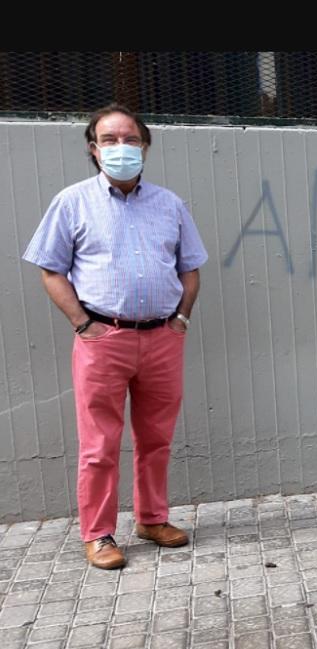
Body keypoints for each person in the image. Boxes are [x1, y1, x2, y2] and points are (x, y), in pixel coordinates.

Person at [22, 103, 207, 569]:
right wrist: (84, 325)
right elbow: (51, 271)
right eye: (110, 140)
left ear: (145, 146)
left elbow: (190, 269)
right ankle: (100, 534)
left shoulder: (170, 205)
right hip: (103, 339)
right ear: (94, 149)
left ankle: (151, 517)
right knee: (100, 443)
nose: (121, 147)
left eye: (130, 139)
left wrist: (181, 319)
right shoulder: (72, 202)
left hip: (163, 338)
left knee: (156, 437)